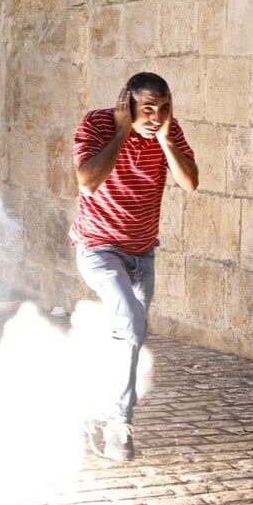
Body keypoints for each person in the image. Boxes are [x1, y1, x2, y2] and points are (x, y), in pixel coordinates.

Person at [71, 72, 198, 461]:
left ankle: (96, 410)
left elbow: (190, 182)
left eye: (163, 109)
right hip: (99, 247)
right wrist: (123, 132)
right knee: (130, 324)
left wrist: (164, 138)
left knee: (129, 337)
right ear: (126, 104)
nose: (156, 117)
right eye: (147, 109)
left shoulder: (167, 133)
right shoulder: (98, 124)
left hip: (142, 252)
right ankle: (118, 426)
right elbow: (88, 182)